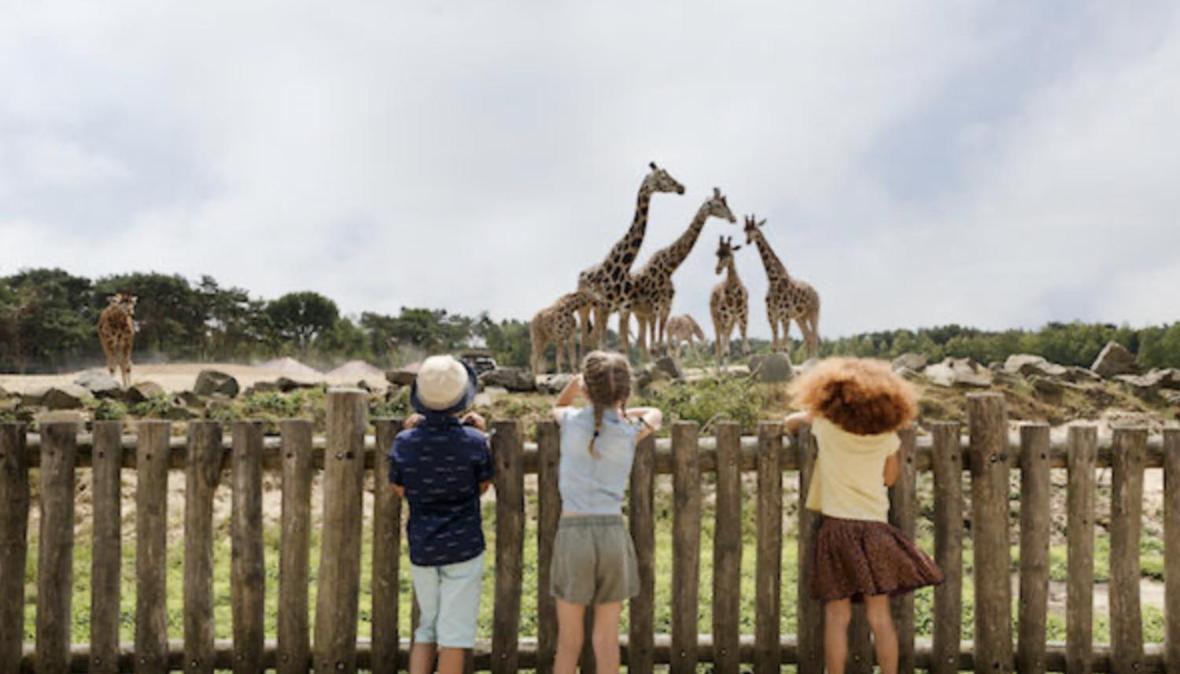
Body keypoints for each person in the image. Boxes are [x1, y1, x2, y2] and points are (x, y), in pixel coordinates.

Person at [784, 357, 942, 674]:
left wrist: (806, 417)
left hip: (837, 530)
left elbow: (790, 421)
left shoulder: (826, 428)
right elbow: (889, 478)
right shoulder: (886, 438)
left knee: (837, 616)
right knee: (880, 616)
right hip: (875, 532)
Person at [550, 351, 662, 674]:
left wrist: (575, 387)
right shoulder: (629, 431)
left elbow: (556, 407)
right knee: (606, 638)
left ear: (586, 389)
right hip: (612, 534)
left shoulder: (571, 421)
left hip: (573, 534)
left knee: (569, 641)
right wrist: (623, 409)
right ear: (625, 392)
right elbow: (656, 414)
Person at [389, 355, 493, 674]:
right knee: (455, 635)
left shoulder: (405, 442)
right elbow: (483, 485)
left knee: (426, 627)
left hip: (423, 547)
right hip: (463, 548)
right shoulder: (474, 442)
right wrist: (481, 433)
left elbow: (398, 487)